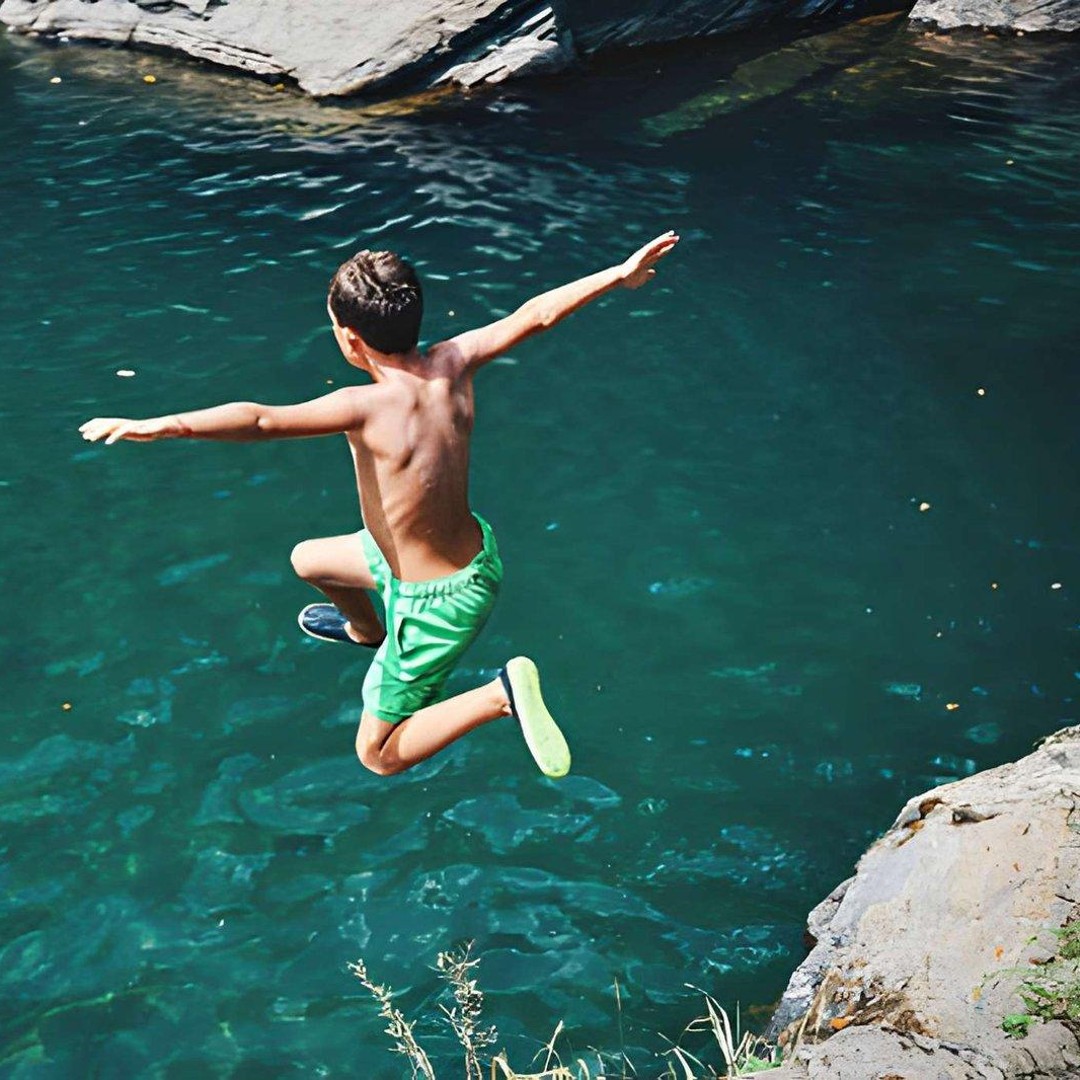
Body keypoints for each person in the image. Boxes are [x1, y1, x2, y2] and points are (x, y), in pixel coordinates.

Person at [79, 230, 680, 778]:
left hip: (437, 605)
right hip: (467, 558)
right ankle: (366, 631)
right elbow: (536, 314)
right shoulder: (453, 362)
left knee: (377, 755)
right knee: (308, 560)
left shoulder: (361, 407)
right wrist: (617, 273)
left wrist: (164, 424)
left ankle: (500, 694)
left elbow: (261, 420)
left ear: (349, 338)